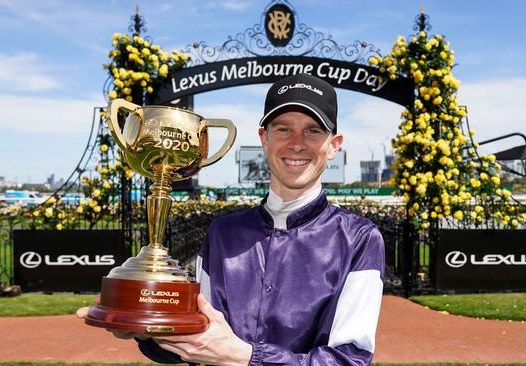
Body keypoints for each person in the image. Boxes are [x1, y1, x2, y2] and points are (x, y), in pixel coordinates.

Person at [79, 73, 385, 365]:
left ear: (334, 144)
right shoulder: (223, 232)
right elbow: (199, 340)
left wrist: (245, 358)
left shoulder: (359, 239)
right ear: (264, 139)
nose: (296, 143)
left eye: (313, 130)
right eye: (283, 129)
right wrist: (146, 329)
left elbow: (349, 360)